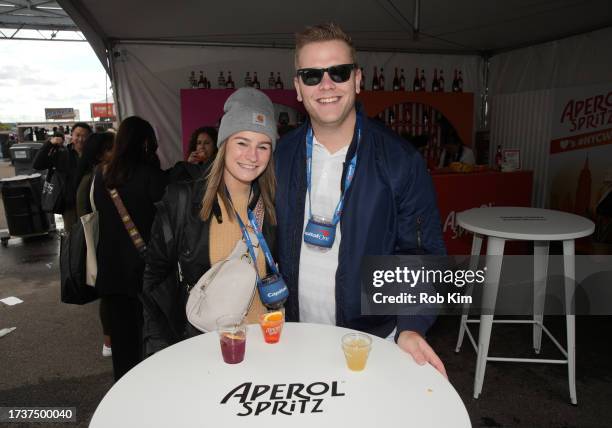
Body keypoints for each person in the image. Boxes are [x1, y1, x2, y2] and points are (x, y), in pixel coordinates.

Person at [275, 23, 447, 377]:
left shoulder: (399, 160)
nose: (326, 85)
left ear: (357, 79)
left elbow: (420, 254)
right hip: (294, 337)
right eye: (311, 75)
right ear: (297, 88)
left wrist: (411, 325)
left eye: (338, 72)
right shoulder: (280, 155)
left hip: (372, 342)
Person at [142, 88, 278, 357]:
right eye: (242, 142)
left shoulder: (275, 205)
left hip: (266, 347)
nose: (252, 156)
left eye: (263, 146)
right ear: (224, 143)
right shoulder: (183, 201)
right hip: (204, 348)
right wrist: (160, 354)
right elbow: (153, 284)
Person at [93, 116, 167, 380]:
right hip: (145, 270)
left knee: (123, 344)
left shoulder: (101, 174)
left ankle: (122, 394)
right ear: (146, 142)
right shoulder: (150, 175)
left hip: (111, 271)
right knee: (152, 337)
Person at [74, 132, 115, 358]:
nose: (116, 152)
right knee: (107, 294)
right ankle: (108, 341)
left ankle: (109, 340)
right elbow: (84, 219)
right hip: (100, 245)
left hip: (101, 244)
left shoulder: (95, 175)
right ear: (100, 153)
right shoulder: (94, 179)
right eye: (111, 148)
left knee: (109, 293)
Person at [33, 122, 92, 230]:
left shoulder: (94, 156)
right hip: (69, 205)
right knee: (72, 237)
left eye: (84, 136)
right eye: (77, 135)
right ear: (71, 135)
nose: (80, 139)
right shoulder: (62, 153)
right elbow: (38, 165)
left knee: (91, 235)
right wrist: (49, 144)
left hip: (90, 204)